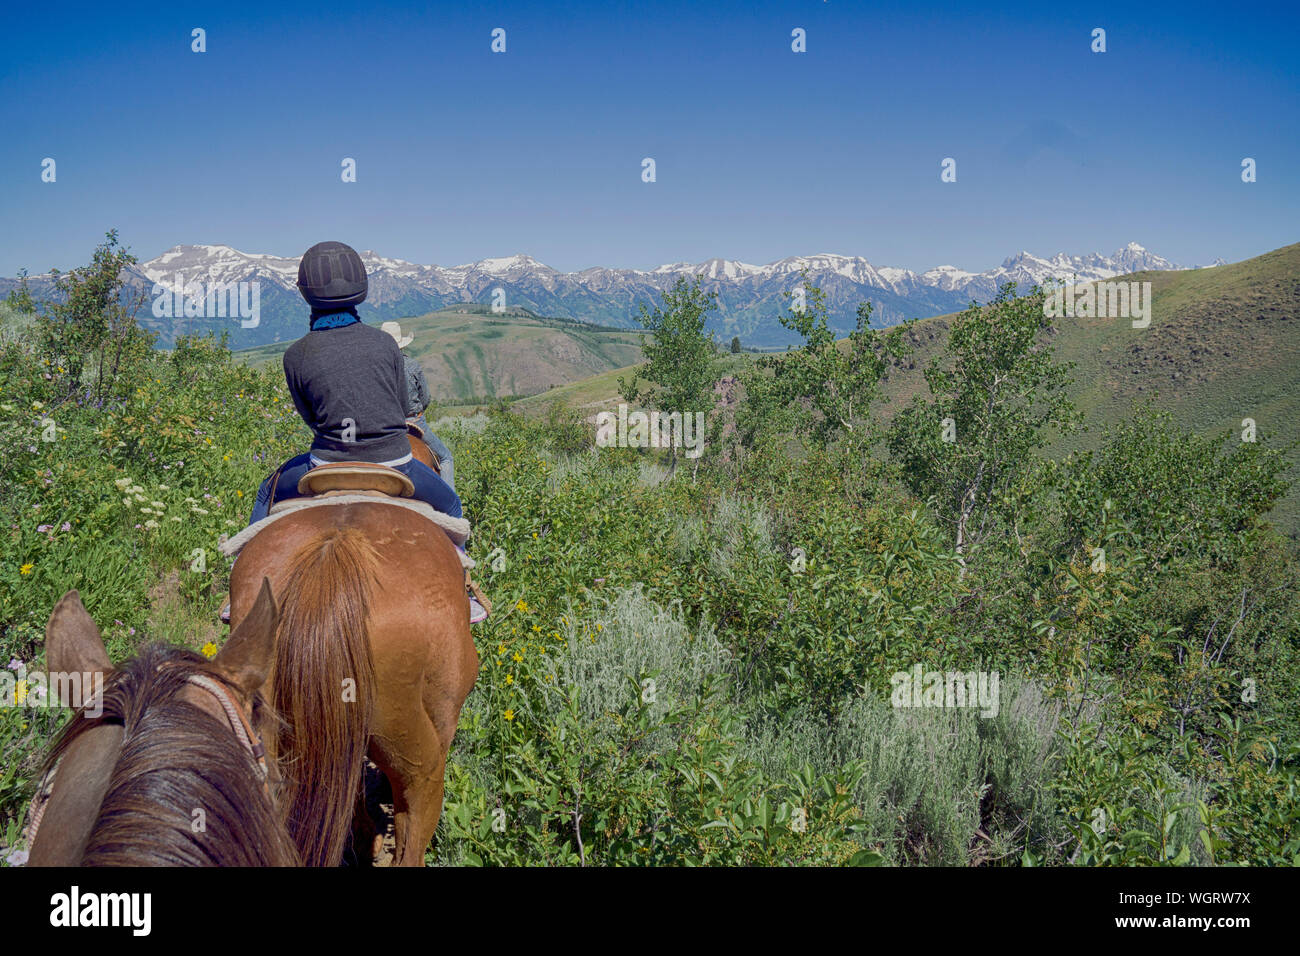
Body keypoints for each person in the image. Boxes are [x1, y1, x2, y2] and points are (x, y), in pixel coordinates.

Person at [243, 241, 486, 623]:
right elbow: (399, 402)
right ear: (360, 289)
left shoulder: (296, 355)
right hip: (396, 462)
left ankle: (245, 585)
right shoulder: (385, 344)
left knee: (265, 490)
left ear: (307, 292)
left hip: (326, 461)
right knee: (451, 507)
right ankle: (462, 587)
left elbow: (308, 415)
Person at [381, 321, 456, 491]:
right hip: (414, 421)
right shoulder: (413, 366)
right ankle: (453, 508)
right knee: (446, 458)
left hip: (386, 424)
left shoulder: (378, 368)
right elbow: (426, 398)